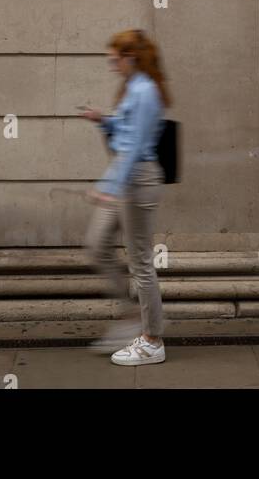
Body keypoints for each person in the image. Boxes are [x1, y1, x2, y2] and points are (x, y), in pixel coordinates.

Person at [79, 29, 168, 365]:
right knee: (97, 245)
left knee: (141, 262)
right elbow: (125, 135)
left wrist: (108, 188)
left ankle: (152, 340)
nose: (112, 65)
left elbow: (135, 149)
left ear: (130, 57)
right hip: (124, 175)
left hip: (137, 178)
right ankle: (131, 316)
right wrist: (104, 120)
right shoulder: (134, 87)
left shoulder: (146, 91)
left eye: (115, 59)